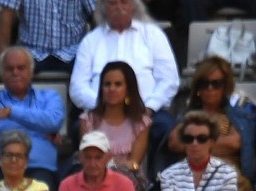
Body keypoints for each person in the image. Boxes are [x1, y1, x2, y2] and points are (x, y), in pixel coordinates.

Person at [69, 0, 178, 161]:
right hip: (102, 112)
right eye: (112, 3)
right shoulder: (91, 40)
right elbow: (77, 86)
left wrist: (149, 107)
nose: (119, 7)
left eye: (124, 2)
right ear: (104, 8)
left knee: (165, 127)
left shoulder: (153, 35)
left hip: (146, 111)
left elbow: (169, 80)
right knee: (78, 128)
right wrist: (102, 107)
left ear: (133, 6)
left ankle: (156, 175)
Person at [162, 57, 256, 191]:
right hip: (192, 171)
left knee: (239, 184)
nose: (210, 88)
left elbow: (235, 143)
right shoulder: (189, 115)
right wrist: (215, 146)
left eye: (216, 83)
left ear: (225, 86)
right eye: (204, 84)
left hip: (228, 172)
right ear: (198, 87)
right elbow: (174, 142)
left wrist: (195, 143)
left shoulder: (237, 116)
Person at [77, 60, 151, 191]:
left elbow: (134, 164)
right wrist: (117, 163)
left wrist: (110, 163)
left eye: (118, 84)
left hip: (127, 183)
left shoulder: (141, 123)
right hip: (93, 178)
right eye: (107, 84)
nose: (111, 89)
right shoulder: (88, 120)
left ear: (128, 89)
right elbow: (86, 157)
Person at [0, 0, 92, 75]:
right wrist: (2, 60)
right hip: (31, 53)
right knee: (14, 71)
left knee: (93, 72)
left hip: (73, 52)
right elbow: (6, 15)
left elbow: (96, 15)